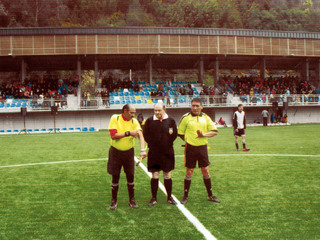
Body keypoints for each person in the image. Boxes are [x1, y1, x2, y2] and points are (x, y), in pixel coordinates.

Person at [178, 98, 220, 204]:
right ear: (191, 106)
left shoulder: (205, 118)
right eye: (193, 105)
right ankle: (185, 196)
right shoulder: (185, 118)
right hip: (190, 148)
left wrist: (203, 135)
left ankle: (210, 195)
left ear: (202, 106)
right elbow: (180, 133)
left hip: (202, 148)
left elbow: (215, 131)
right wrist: (189, 140)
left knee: (205, 170)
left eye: (197, 106)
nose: (195, 108)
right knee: (189, 171)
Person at [107, 104, 147, 210]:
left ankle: (132, 200)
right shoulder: (115, 118)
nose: (134, 115)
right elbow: (113, 136)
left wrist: (142, 150)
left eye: (134, 113)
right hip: (115, 152)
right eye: (131, 113)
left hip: (129, 153)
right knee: (115, 176)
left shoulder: (134, 121)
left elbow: (140, 135)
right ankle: (114, 200)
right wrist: (128, 133)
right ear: (125, 111)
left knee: (130, 176)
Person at [143, 103, 178, 206]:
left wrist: (167, 143)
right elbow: (146, 135)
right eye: (155, 110)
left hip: (167, 152)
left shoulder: (171, 121)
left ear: (164, 110)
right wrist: (153, 144)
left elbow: (174, 134)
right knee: (155, 175)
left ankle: (169, 197)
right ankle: (153, 198)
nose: (157, 112)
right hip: (154, 153)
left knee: (167, 174)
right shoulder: (149, 121)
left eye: (159, 110)